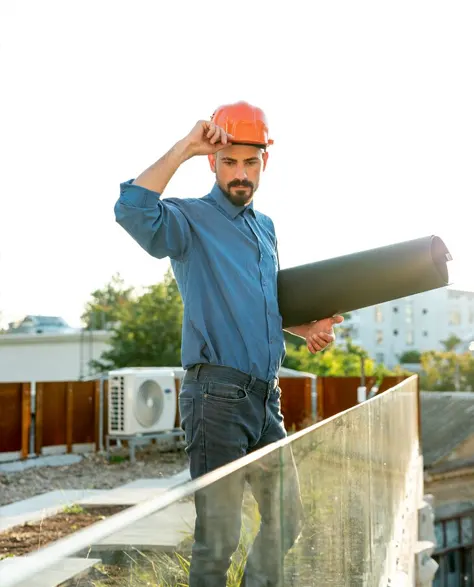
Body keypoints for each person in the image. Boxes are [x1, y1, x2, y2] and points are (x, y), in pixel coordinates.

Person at [114, 101, 344, 587]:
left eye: (250, 162)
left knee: (286, 519)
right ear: (212, 163)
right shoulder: (190, 220)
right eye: (228, 161)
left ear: (265, 162)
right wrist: (185, 147)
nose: (240, 173)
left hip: (266, 401)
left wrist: (303, 329)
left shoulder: (266, 229)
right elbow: (130, 209)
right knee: (218, 540)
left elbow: (260, 305)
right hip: (215, 399)